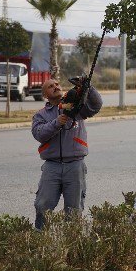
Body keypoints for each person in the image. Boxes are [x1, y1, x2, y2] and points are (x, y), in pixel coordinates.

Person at [31, 78, 103, 229]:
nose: (55, 87)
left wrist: (88, 87)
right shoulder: (41, 115)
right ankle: (39, 242)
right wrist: (57, 122)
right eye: (50, 87)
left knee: (74, 210)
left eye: (57, 84)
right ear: (45, 95)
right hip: (52, 166)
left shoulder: (77, 107)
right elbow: (39, 134)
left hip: (75, 165)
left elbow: (96, 105)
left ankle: (72, 245)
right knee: (43, 205)